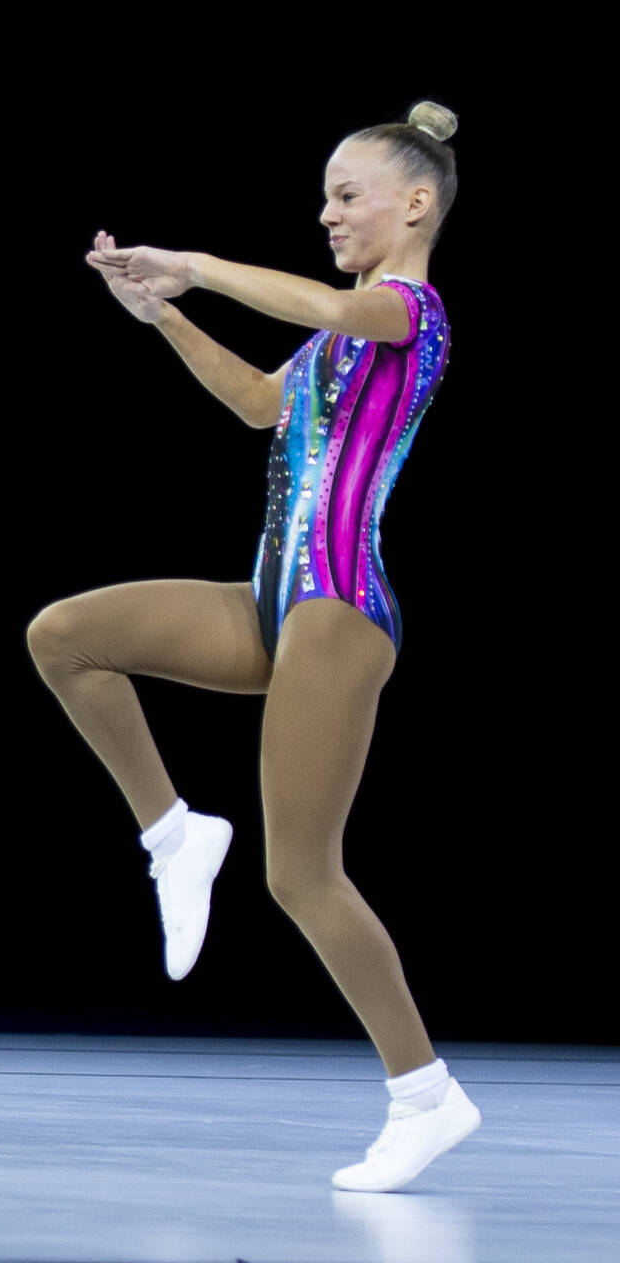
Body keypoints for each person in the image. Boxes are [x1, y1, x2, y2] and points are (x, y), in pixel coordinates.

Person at [29, 101, 477, 1192]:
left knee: (302, 874)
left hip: (339, 608)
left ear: (416, 204)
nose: (326, 213)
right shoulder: (339, 335)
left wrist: (194, 265)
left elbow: (324, 300)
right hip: (275, 596)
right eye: (324, 196)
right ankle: (174, 834)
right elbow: (259, 405)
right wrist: (162, 317)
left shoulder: (407, 311)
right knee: (66, 637)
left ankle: (424, 1094)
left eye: (345, 195)